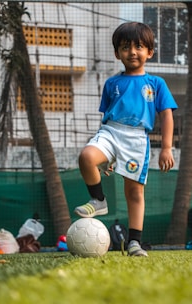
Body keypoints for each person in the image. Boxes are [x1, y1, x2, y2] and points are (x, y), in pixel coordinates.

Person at [74, 22, 178, 256]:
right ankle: (98, 200)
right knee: (87, 157)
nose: (132, 51)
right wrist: (107, 156)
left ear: (149, 52)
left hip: (137, 140)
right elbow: (106, 116)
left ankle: (134, 242)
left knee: (134, 192)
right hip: (110, 132)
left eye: (139, 46)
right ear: (117, 53)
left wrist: (167, 148)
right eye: (125, 47)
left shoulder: (156, 83)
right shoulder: (111, 83)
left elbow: (167, 115)